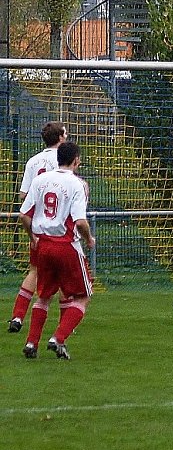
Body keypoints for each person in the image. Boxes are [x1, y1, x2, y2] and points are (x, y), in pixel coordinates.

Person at [19, 141, 95, 359]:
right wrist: (89, 239)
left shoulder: (41, 180)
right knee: (83, 296)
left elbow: (24, 215)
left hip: (43, 244)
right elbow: (80, 222)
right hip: (66, 245)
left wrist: (32, 237)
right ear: (76, 160)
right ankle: (58, 338)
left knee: (43, 296)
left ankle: (32, 343)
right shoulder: (77, 184)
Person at [8, 121, 67, 333]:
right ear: (60, 137)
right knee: (64, 275)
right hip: (58, 225)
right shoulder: (64, 159)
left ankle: (17, 316)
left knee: (34, 270)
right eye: (65, 134)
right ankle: (64, 323)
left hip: (36, 225)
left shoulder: (33, 161)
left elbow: (24, 195)